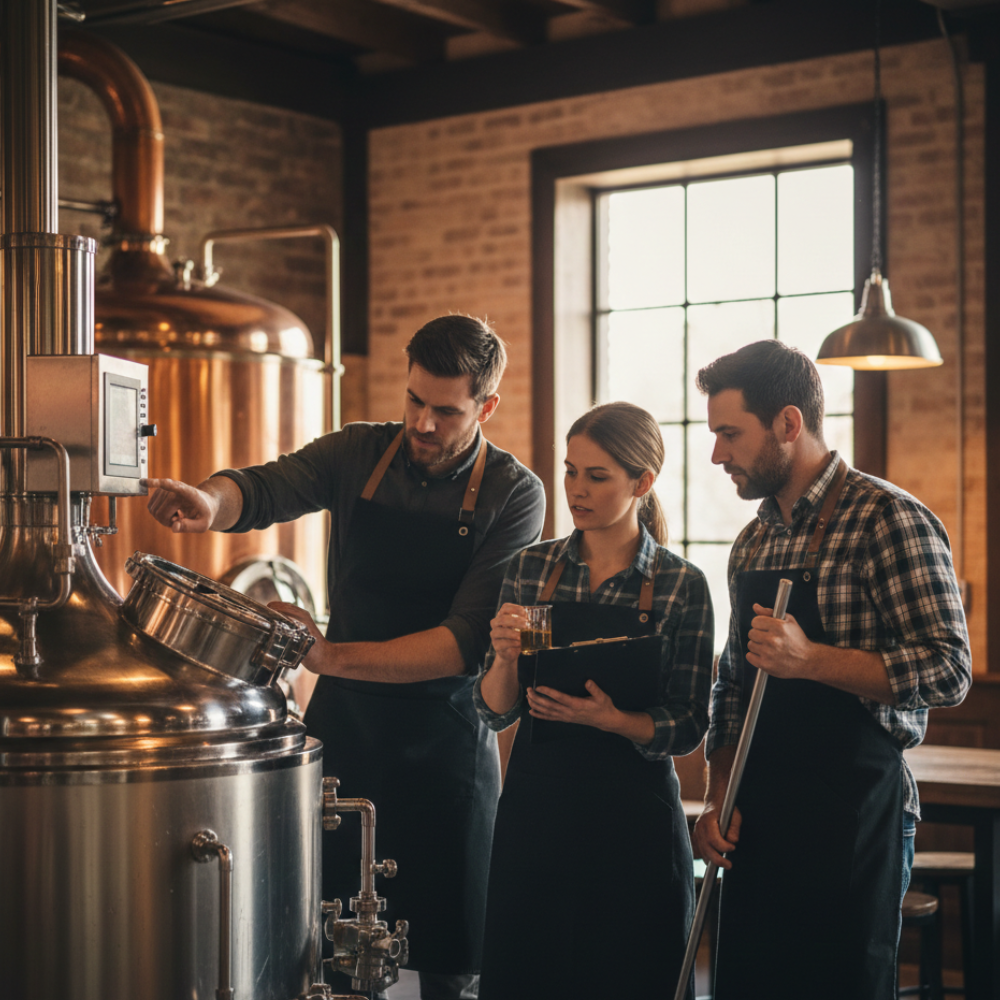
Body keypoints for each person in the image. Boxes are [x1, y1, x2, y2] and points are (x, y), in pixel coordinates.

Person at [143, 315, 546, 1000]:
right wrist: (209, 501)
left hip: (445, 749)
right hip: (346, 740)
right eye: (414, 400)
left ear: (487, 407)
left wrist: (326, 654)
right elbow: (269, 486)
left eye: (444, 411)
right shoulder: (361, 452)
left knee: (448, 962)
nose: (421, 423)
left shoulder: (515, 492)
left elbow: (461, 642)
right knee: (326, 944)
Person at [691, 340, 971, 1000]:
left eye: (730, 434)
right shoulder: (753, 540)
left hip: (856, 812)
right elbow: (733, 686)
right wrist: (716, 797)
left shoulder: (888, 519)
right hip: (759, 816)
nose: (716, 455)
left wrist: (810, 660)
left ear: (788, 425)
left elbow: (949, 669)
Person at [473, 401, 714, 1000]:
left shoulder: (682, 585)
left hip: (635, 826)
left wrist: (612, 719)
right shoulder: (532, 569)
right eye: (570, 471)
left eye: (597, 476)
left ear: (643, 482)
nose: (576, 490)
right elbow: (493, 709)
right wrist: (504, 657)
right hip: (539, 816)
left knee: (633, 976)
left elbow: (687, 724)